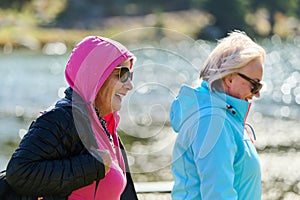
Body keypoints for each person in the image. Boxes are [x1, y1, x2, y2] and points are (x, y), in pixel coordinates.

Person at [5, 36, 138, 200]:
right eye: (123, 74)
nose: (130, 85)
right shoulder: (61, 119)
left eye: (130, 75)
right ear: (97, 74)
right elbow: (19, 172)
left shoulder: (104, 125)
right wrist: (92, 165)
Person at [170, 30, 266, 199]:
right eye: (255, 85)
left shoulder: (224, 117)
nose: (257, 94)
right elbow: (218, 195)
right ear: (229, 79)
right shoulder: (213, 122)